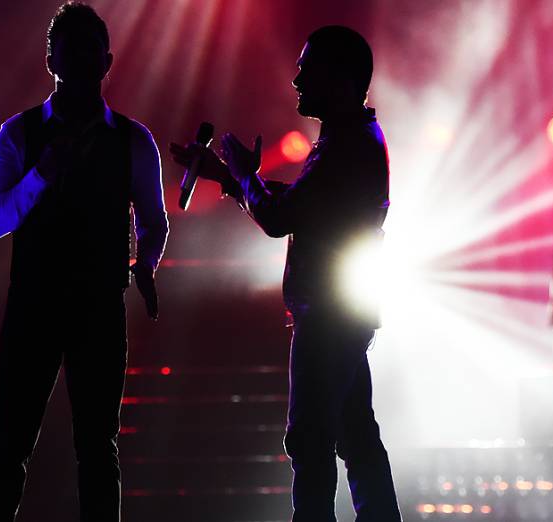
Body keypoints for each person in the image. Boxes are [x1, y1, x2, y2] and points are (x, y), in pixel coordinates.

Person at [170, 25, 401, 522]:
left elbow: (281, 219)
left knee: (313, 441)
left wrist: (243, 176)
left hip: (328, 317)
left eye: (307, 67)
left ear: (339, 78)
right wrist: (233, 179)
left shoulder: (348, 145)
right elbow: (303, 207)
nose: (296, 78)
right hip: (341, 313)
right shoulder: (350, 138)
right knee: (356, 436)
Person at [0, 3, 168, 521]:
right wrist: (40, 176)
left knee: (97, 450)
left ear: (107, 61)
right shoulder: (18, 134)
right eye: (71, 48)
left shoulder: (133, 140)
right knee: (11, 445)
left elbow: (155, 222)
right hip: (34, 306)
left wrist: (144, 263)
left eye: (90, 50)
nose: (82, 59)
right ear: (50, 58)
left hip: (98, 310)